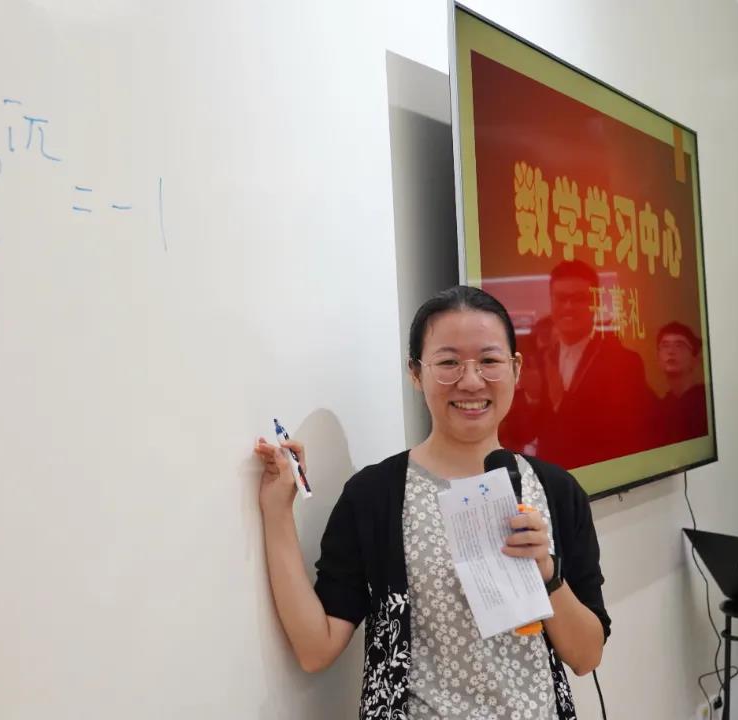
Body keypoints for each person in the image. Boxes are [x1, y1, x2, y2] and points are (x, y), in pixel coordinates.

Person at [255, 286, 610, 719]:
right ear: (416, 373)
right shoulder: (375, 496)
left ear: (515, 369)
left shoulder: (557, 491)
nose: (471, 380)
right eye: (448, 363)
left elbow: (586, 656)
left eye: (489, 361)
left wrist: (547, 574)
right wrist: (277, 511)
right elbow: (316, 647)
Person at [535, 260, 656, 469]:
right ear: (551, 302)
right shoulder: (540, 360)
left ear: (596, 303)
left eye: (579, 299)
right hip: (548, 479)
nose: (569, 307)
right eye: (561, 298)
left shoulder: (624, 362)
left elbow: (624, 436)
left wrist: (563, 404)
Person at [654, 321, 709, 444]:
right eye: (665, 345)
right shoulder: (661, 407)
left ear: (694, 359)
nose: (671, 351)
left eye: (679, 345)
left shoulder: (705, 401)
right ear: (658, 358)